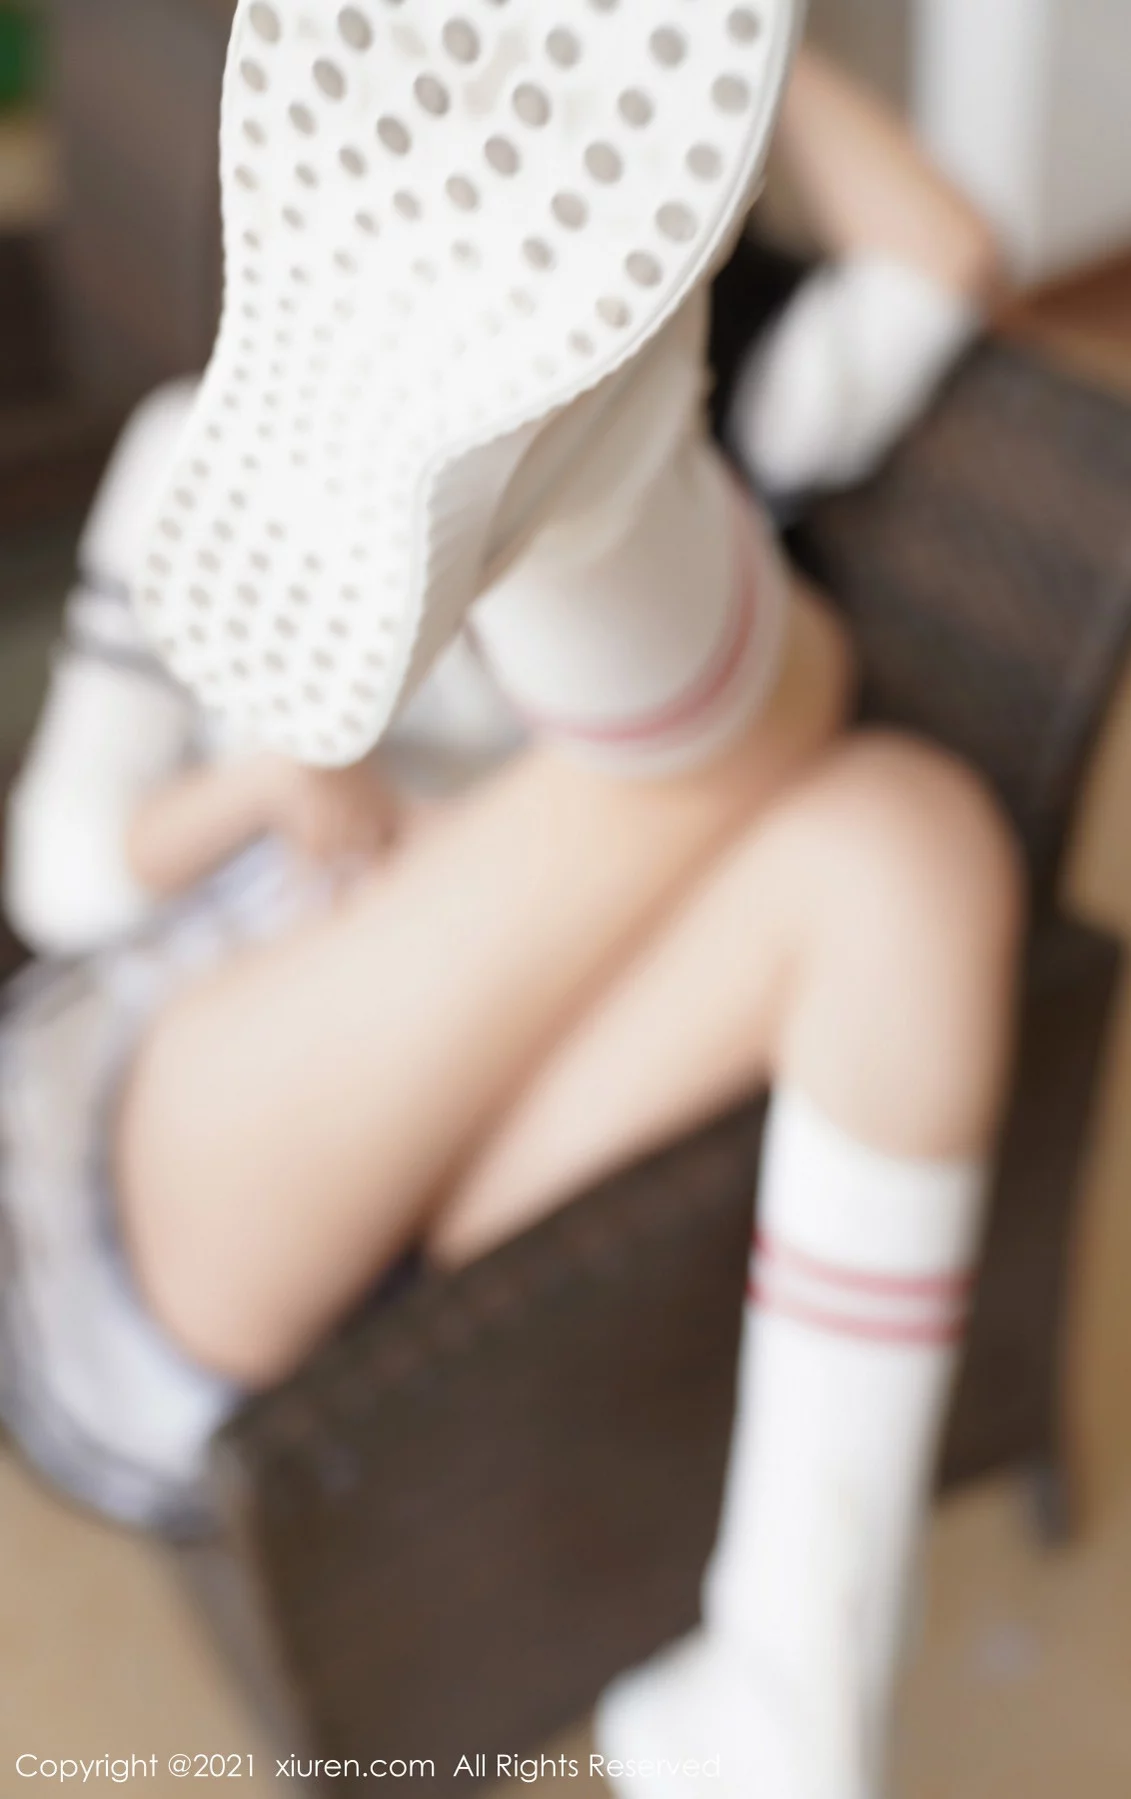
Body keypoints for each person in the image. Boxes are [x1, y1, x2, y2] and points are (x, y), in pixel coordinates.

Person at [1, 7, 1019, 1794]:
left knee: (912, 844)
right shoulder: (205, 469)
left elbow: (947, 258)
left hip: (494, 1169)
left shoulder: (771, 400)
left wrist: (714, 47)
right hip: (184, 1148)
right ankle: (595, 495)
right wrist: (260, 790)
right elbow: (60, 876)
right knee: (790, 731)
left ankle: (791, 1704)